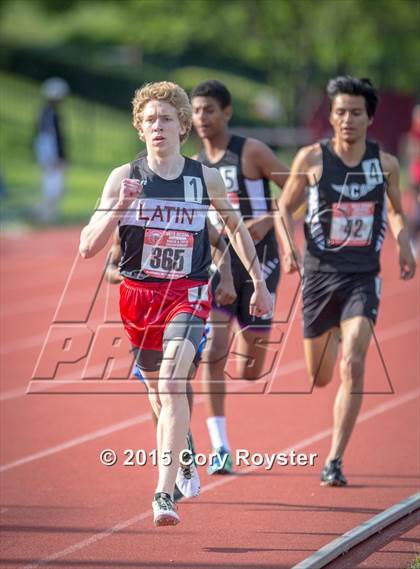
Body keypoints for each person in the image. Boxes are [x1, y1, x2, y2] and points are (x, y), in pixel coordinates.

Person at [79, 81, 273, 526]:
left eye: (165, 118)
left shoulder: (203, 178)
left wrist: (258, 284)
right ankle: (184, 451)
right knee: (157, 393)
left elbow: (235, 229)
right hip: (137, 297)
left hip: (186, 293)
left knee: (171, 382)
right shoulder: (122, 177)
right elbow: (88, 247)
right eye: (148, 120)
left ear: (182, 126)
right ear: (139, 129)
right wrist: (117, 208)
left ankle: (162, 495)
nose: (157, 126)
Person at [276, 76, 416, 486]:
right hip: (320, 277)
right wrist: (288, 248)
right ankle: (333, 331)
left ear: (369, 117)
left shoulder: (384, 165)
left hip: (362, 276)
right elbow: (284, 209)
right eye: (340, 112)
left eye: (356, 112)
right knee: (320, 376)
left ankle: (334, 459)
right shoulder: (311, 160)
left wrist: (403, 241)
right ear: (331, 116)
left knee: (353, 363)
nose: (347, 119)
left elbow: (394, 210)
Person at [190, 80, 289, 474]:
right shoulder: (196, 164)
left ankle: (248, 342)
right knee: (213, 352)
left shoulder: (251, 152)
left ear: (226, 112)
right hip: (218, 265)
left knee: (251, 369)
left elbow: (299, 191)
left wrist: (268, 219)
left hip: (260, 266)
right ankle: (220, 448)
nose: (201, 118)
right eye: (196, 111)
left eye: (209, 110)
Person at [33, 77, 69, 223]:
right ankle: (45, 214)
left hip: (52, 156)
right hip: (52, 158)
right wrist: (53, 158)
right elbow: (47, 138)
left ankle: (48, 213)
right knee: (53, 187)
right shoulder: (49, 114)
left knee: (55, 187)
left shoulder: (48, 112)